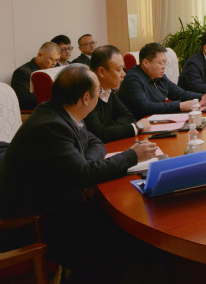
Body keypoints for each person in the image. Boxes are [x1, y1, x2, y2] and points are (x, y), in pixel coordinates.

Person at [0, 65, 158, 283]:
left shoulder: (64, 113)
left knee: (125, 227)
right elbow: (83, 174)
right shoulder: (51, 124)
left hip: (56, 204)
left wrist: (85, 166)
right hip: (33, 223)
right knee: (115, 244)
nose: (101, 95)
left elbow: (96, 143)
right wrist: (131, 156)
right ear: (86, 98)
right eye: (98, 91)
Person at [117, 42, 206, 118]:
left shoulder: (160, 77)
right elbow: (145, 107)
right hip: (138, 125)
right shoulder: (133, 79)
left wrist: (203, 97)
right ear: (146, 63)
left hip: (156, 120)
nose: (164, 67)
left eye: (165, 63)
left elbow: (180, 94)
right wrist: (180, 105)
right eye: (160, 63)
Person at [85, 45, 151, 143]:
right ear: (101, 71)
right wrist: (136, 127)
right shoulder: (86, 94)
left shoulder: (108, 90)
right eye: (119, 69)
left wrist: (109, 130)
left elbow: (128, 116)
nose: (124, 74)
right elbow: (99, 134)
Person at [10, 41, 60, 110]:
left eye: (57, 60)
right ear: (39, 55)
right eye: (51, 59)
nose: (54, 63)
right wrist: (55, 96)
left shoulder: (56, 69)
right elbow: (23, 100)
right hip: (37, 110)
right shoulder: (22, 72)